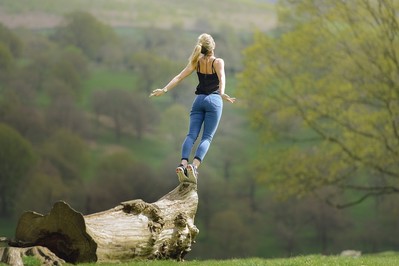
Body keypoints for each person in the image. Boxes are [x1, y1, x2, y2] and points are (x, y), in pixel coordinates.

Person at [150, 33, 235, 183]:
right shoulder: (218, 61)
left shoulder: (196, 62)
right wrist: (221, 93)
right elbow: (222, 77)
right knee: (207, 137)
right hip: (214, 100)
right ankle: (193, 166)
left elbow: (179, 77)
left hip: (198, 101)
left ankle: (182, 164)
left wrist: (164, 90)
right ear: (213, 46)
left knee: (191, 135)